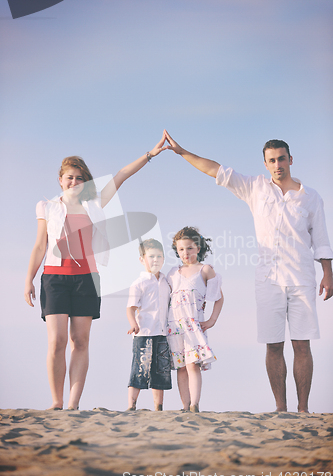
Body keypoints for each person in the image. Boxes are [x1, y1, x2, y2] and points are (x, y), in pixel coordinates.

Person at [165, 130, 333, 413]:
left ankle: (303, 410)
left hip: (302, 279)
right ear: (265, 164)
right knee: (274, 345)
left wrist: (327, 273)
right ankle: (281, 409)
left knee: (302, 344)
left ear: (291, 160)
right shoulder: (255, 187)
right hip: (268, 281)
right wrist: (182, 152)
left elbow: (321, 239)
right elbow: (215, 170)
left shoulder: (311, 198)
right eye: (271, 160)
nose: (277, 165)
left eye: (282, 159)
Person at [24, 135, 167, 411]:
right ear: (60, 179)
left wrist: (150, 154)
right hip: (54, 278)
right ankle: (56, 401)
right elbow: (40, 244)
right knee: (57, 341)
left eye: (79, 178)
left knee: (81, 341)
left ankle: (73, 403)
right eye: (69, 178)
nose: (74, 182)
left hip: (87, 279)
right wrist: (28, 278)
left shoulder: (96, 203)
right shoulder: (47, 207)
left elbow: (121, 175)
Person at [167, 226, 224, 413]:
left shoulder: (205, 270)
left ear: (198, 248)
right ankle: (184, 405)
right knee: (181, 366)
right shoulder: (173, 273)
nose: (185, 253)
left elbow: (219, 297)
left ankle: (194, 405)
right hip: (174, 326)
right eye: (181, 249)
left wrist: (212, 320)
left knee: (193, 365)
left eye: (190, 248)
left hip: (193, 325)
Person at [127, 239, 172, 411]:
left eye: (159, 256)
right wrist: (133, 324)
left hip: (162, 333)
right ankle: (131, 405)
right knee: (139, 369)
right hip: (143, 333)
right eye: (151, 256)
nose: (155, 260)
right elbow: (130, 309)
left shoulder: (166, 281)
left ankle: (158, 407)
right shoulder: (139, 283)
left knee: (160, 372)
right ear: (142, 259)